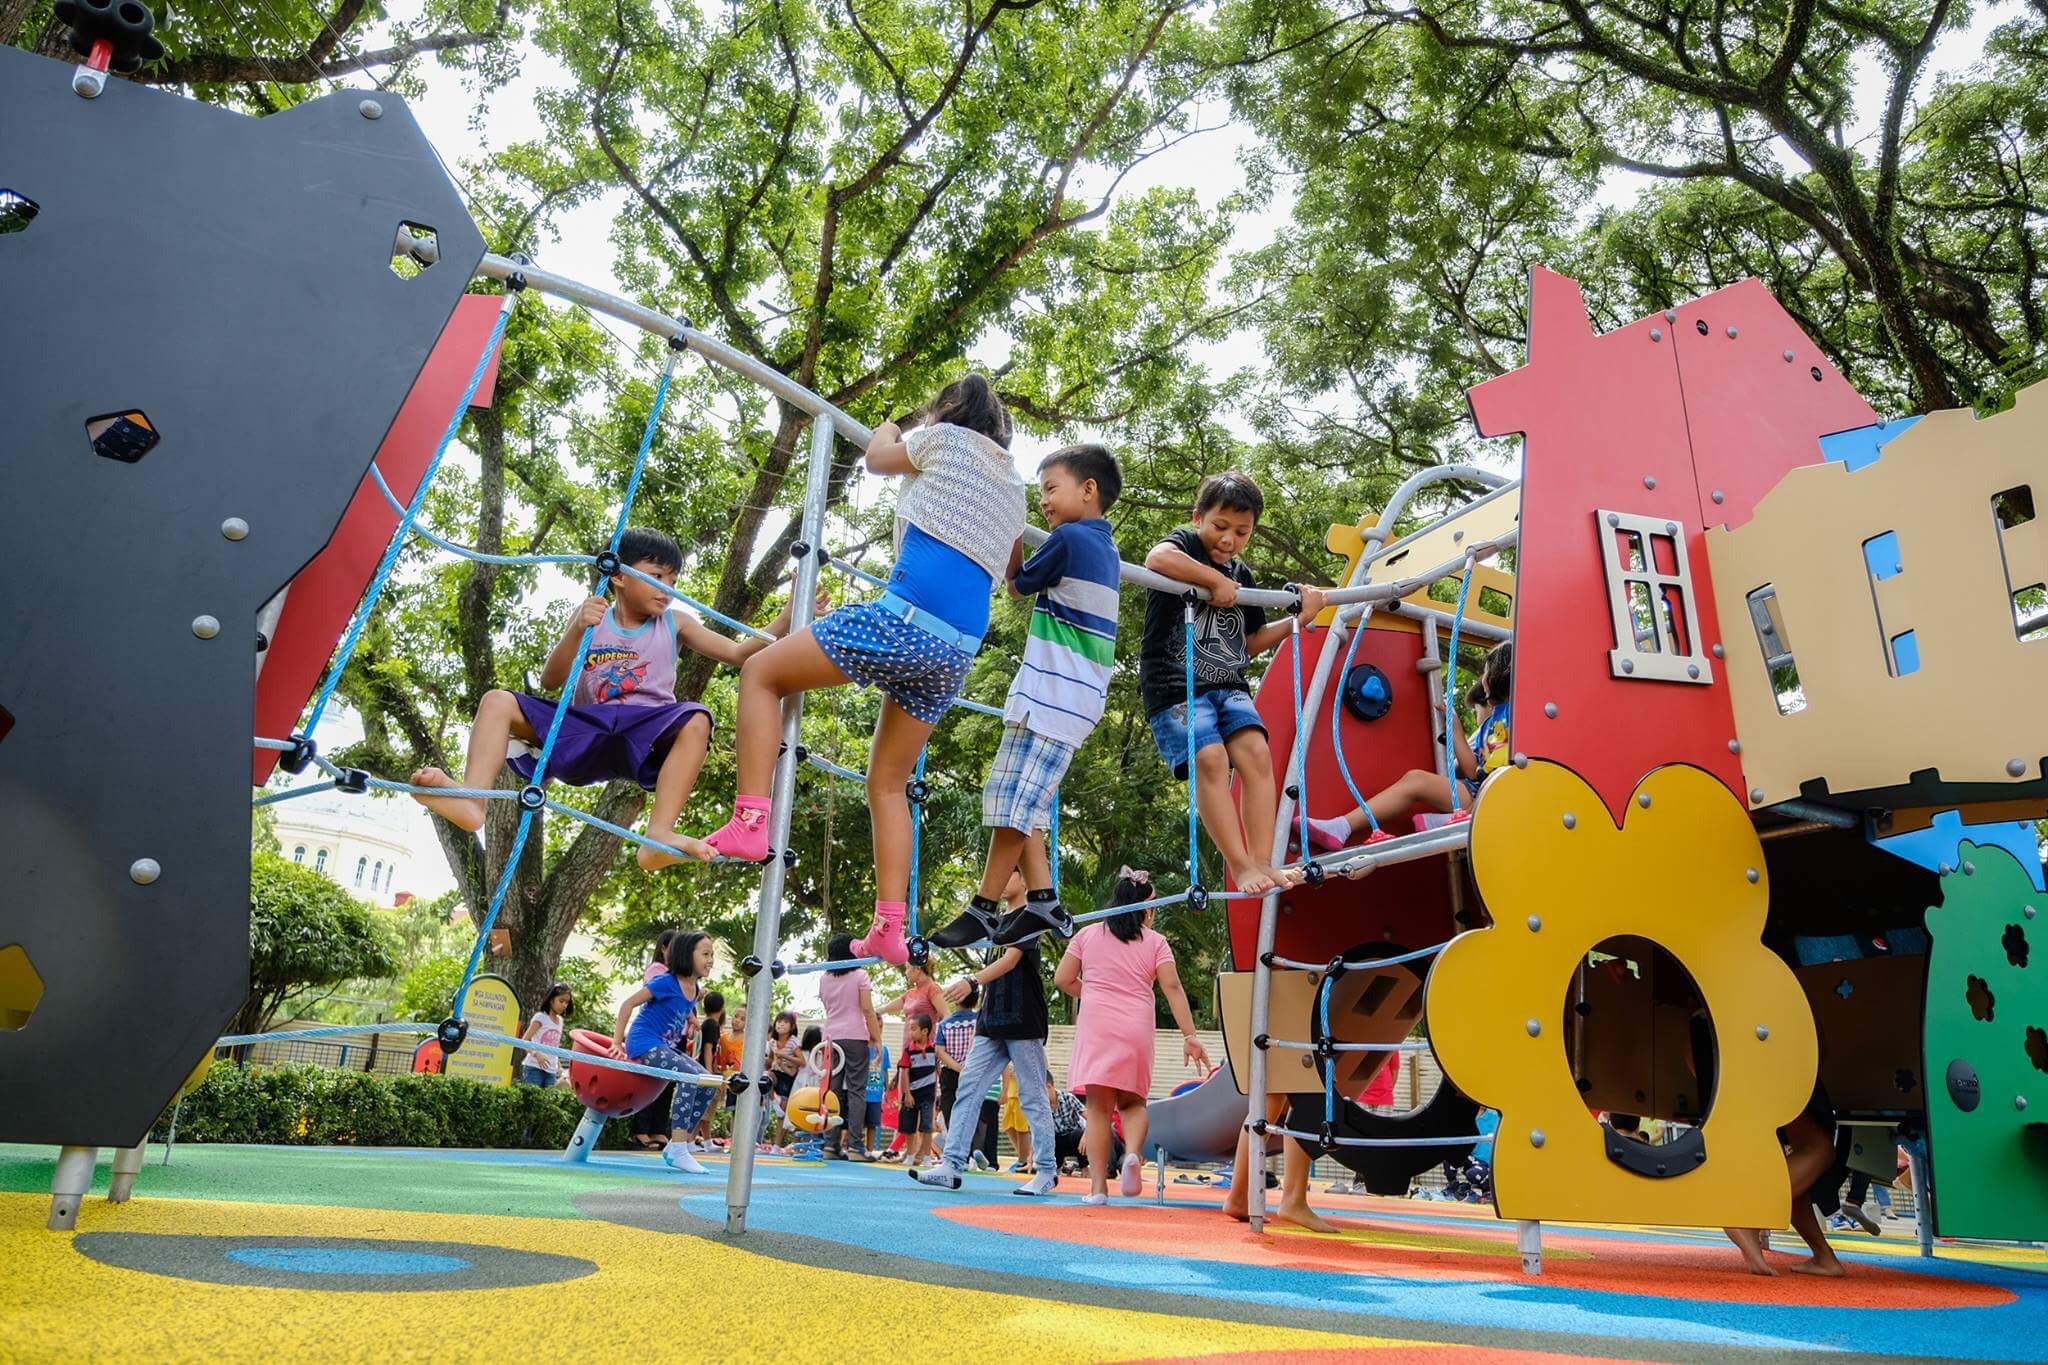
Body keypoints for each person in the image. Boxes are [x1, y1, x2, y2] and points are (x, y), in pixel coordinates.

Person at [691, 376, 1028, 966]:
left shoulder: (941, 438)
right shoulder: (1014, 489)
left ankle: (750, 817)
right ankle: (890, 928)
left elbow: (876, 460)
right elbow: (1013, 571)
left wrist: (895, 427)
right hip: (957, 652)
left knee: (761, 674)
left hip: (903, 621)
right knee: (888, 783)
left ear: (947, 411)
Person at [408, 527, 802, 867]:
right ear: (620, 577)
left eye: (674, 579)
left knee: (697, 718)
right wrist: (577, 629)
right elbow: (550, 680)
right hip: (588, 730)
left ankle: (660, 833)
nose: (667, 588)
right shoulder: (593, 619)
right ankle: (473, 800)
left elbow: (736, 654)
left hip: (643, 733)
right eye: (656, 575)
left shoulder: (675, 623)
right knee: (497, 700)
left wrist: (785, 619)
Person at [927, 445, 1125, 948]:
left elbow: (1015, 586)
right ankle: (1043, 899)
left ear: (1088, 489)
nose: (1044, 502)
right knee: (1023, 801)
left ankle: (984, 907)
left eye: (1050, 489)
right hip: (1058, 694)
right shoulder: (1104, 548)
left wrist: (1012, 529)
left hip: (1056, 694)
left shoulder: (1071, 538)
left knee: (1014, 803)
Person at [1140, 473, 1328, 897]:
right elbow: (1156, 559)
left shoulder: (1242, 573)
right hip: (1177, 685)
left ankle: (1263, 860)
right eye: (1219, 526)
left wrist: (1298, 619)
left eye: (1241, 532)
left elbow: (1249, 643)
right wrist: (1214, 581)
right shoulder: (1185, 546)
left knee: (1257, 754)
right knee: (1209, 757)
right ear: (1198, 518)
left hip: (1229, 684)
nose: (1228, 540)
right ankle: (1240, 865)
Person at [1054, 869, 1212, 1205]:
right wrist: (1190, 1035)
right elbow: (1172, 987)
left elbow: (1062, 979)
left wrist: (1093, 991)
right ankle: (1133, 1154)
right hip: (1136, 1026)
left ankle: (1098, 1188)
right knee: (1133, 1102)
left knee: (1097, 1109)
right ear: (1147, 910)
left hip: (1097, 1025)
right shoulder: (1156, 943)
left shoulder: (1087, 934)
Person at [915, 871, 1058, 1195]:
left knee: (1032, 1097)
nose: (1001, 875)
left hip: (1023, 1021)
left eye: (1011, 871)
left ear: (1025, 880)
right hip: (990, 1022)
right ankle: (952, 1164)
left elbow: (1010, 960)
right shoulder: (994, 921)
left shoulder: (1033, 916)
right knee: (968, 1089)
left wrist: (972, 981)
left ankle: (1046, 1170)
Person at [1304, 644, 1514, 855]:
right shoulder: (1489, 724)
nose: (1483, 680)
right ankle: (1343, 826)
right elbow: (1470, 768)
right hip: (1477, 791)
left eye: (1485, 672)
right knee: (1415, 779)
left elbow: (1489, 769)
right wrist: (1453, 737)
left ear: (1500, 674)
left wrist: (1457, 735)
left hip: (1500, 794)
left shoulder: (1518, 714)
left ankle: (1464, 817)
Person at [607, 930, 720, 1174]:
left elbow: (682, 1010)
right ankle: (680, 1148)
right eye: (706, 954)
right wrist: (617, 1042)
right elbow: (628, 1004)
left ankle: (677, 1145)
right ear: (687, 955)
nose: (711, 960)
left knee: (710, 1082)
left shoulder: (695, 989)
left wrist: (691, 1022)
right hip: (643, 1042)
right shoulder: (666, 982)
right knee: (689, 1077)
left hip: (663, 1045)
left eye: (712, 954)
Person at [1724, 1085, 1846, 1277]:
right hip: (1774, 1065)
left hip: (1740, 1067)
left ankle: (1824, 1255)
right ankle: (1748, 1219)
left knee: (1792, 1161)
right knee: (1817, 1147)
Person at [818, 933, 883, 1160]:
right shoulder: (860, 975)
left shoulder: (824, 978)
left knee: (831, 1090)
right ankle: (856, 1146)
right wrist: (876, 1037)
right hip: (855, 1037)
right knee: (857, 1091)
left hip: (830, 1038)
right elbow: (867, 1009)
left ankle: (830, 1145)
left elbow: (828, 1007)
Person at [629, 931, 679, 1150]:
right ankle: (641, 1129)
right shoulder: (660, 973)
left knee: (666, 1084)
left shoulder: (680, 976)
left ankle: (659, 1128)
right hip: (654, 1038)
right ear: (664, 948)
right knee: (648, 1082)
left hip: (673, 1036)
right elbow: (654, 994)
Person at [894, 1013, 958, 1166]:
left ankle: (927, 1157)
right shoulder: (908, 1051)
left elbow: (939, 1070)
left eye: (914, 1029)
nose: (911, 1033)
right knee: (909, 1127)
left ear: (925, 1031)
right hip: (912, 1095)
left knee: (927, 1127)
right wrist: (907, 1094)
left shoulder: (934, 1049)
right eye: (910, 1029)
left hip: (928, 1096)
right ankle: (910, 1155)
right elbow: (904, 1073)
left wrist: (941, 1090)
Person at [934, 980, 981, 1128]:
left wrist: (958, 1067)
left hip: (950, 1073)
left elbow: (940, 1051)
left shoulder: (944, 1024)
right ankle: (971, 1149)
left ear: (956, 1000)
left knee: (950, 1112)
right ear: (975, 1001)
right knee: (972, 1112)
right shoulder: (980, 1021)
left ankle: (952, 1146)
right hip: (975, 1072)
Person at [517, 983, 573, 1088]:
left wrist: (559, 1067)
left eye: (567, 1002)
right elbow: (524, 1041)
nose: (564, 1005)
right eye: (561, 1001)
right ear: (551, 1000)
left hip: (551, 1071)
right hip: (534, 1068)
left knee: (547, 1103)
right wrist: (536, 1054)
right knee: (533, 1101)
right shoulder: (540, 1017)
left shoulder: (560, 1021)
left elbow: (554, 1047)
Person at [765, 1010, 804, 1148]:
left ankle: (777, 1145)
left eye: (786, 1022)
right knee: (767, 1078)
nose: (781, 1024)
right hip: (776, 1072)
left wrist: (784, 1056)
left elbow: (802, 1061)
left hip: (788, 1076)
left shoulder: (793, 1042)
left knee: (782, 1113)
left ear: (792, 1026)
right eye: (779, 1021)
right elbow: (769, 1060)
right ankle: (774, 1100)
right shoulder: (772, 1042)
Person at [999, 1066, 1036, 1173]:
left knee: (1022, 1128)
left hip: (1022, 1094)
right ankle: (1024, 1156)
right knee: (1008, 1126)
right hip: (1010, 1092)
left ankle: (1023, 1160)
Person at [866, 1039, 892, 1157]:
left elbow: (885, 1070)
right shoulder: (862, 1047)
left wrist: (887, 1089)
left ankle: (869, 1151)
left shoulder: (884, 1049)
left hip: (876, 1093)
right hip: (861, 1093)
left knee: (873, 1124)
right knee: (856, 1122)